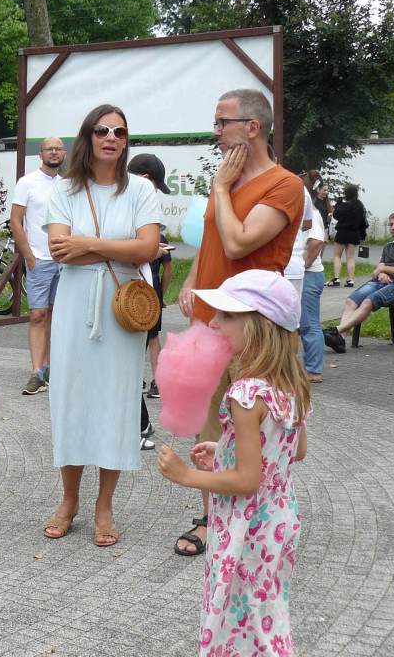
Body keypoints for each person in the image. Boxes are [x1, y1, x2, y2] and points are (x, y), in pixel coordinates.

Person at [174, 89, 304, 556]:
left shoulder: (284, 185)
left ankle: (256, 516)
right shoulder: (225, 181)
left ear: (252, 127)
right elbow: (212, 241)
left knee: (251, 425)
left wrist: (220, 189)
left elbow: (237, 243)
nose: (215, 132)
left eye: (222, 122)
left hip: (254, 329)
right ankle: (213, 520)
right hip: (210, 320)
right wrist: (191, 279)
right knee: (207, 425)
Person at [159, 269, 310, 657]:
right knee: (264, 607)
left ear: (259, 326)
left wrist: (187, 475)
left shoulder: (245, 393)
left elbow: (246, 480)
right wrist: (224, 446)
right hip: (279, 518)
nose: (212, 322)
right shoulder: (292, 381)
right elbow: (294, 450)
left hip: (246, 522)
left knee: (231, 609)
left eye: (227, 315)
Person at [41, 104, 160, 546]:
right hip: (75, 303)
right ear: (87, 136)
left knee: (116, 402)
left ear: (127, 141)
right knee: (71, 398)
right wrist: (120, 248)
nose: (111, 137)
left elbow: (147, 248)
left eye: (120, 132)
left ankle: (104, 506)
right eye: (102, 129)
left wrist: (88, 242)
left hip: (121, 307)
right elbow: (59, 251)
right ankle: (68, 499)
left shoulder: (141, 191)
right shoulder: (66, 190)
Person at [324, 211, 394, 353]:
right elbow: (377, 270)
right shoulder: (389, 246)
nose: (393, 227)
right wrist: (381, 272)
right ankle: (340, 340)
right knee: (351, 301)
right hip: (382, 283)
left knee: (368, 301)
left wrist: (383, 269)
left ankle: (337, 330)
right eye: (390, 225)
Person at [10, 136, 64, 395]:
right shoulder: (27, 182)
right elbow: (15, 222)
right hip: (39, 260)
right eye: (49, 149)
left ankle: (50, 368)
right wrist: (29, 256)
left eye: (58, 149)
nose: (54, 152)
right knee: (38, 315)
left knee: (55, 315)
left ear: (64, 154)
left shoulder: (68, 185)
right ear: (40, 154)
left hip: (64, 260)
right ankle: (36, 373)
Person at [127, 153, 173, 449]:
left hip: (137, 294)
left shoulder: (127, 199)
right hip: (129, 295)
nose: (155, 194)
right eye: (156, 186)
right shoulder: (134, 202)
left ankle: (140, 423)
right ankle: (136, 425)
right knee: (126, 364)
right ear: (145, 180)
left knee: (128, 363)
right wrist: (150, 251)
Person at [299, 178, 327, 383]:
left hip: (310, 275)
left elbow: (317, 241)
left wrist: (305, 264)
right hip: (310, 273)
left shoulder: (313, 215)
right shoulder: (308, 214)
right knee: (304, 323)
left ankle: (314, 370)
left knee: (309, 324)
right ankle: (310, 368)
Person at [329, 184, 368, 287]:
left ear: (346, 193)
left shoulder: (344, 205)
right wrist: (362, 234)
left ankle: (336, 278)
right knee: (350, 257)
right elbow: (363, 220)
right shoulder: (360, 205)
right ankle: (350, 280)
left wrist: (339, 201)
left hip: (342, 232)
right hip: (354, 233)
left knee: (337, 256)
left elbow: (336, 215)